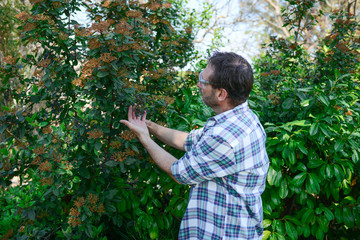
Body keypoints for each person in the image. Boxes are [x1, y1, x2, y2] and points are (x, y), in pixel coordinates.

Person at [120, 51, 269, 240]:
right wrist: (150, 126)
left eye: (203, 80)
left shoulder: (225, 137)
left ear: (221, 94)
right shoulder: (241, 119)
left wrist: (145, 138)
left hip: (222, 234)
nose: (198, 84)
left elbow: (178, 172)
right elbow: (189, 141)